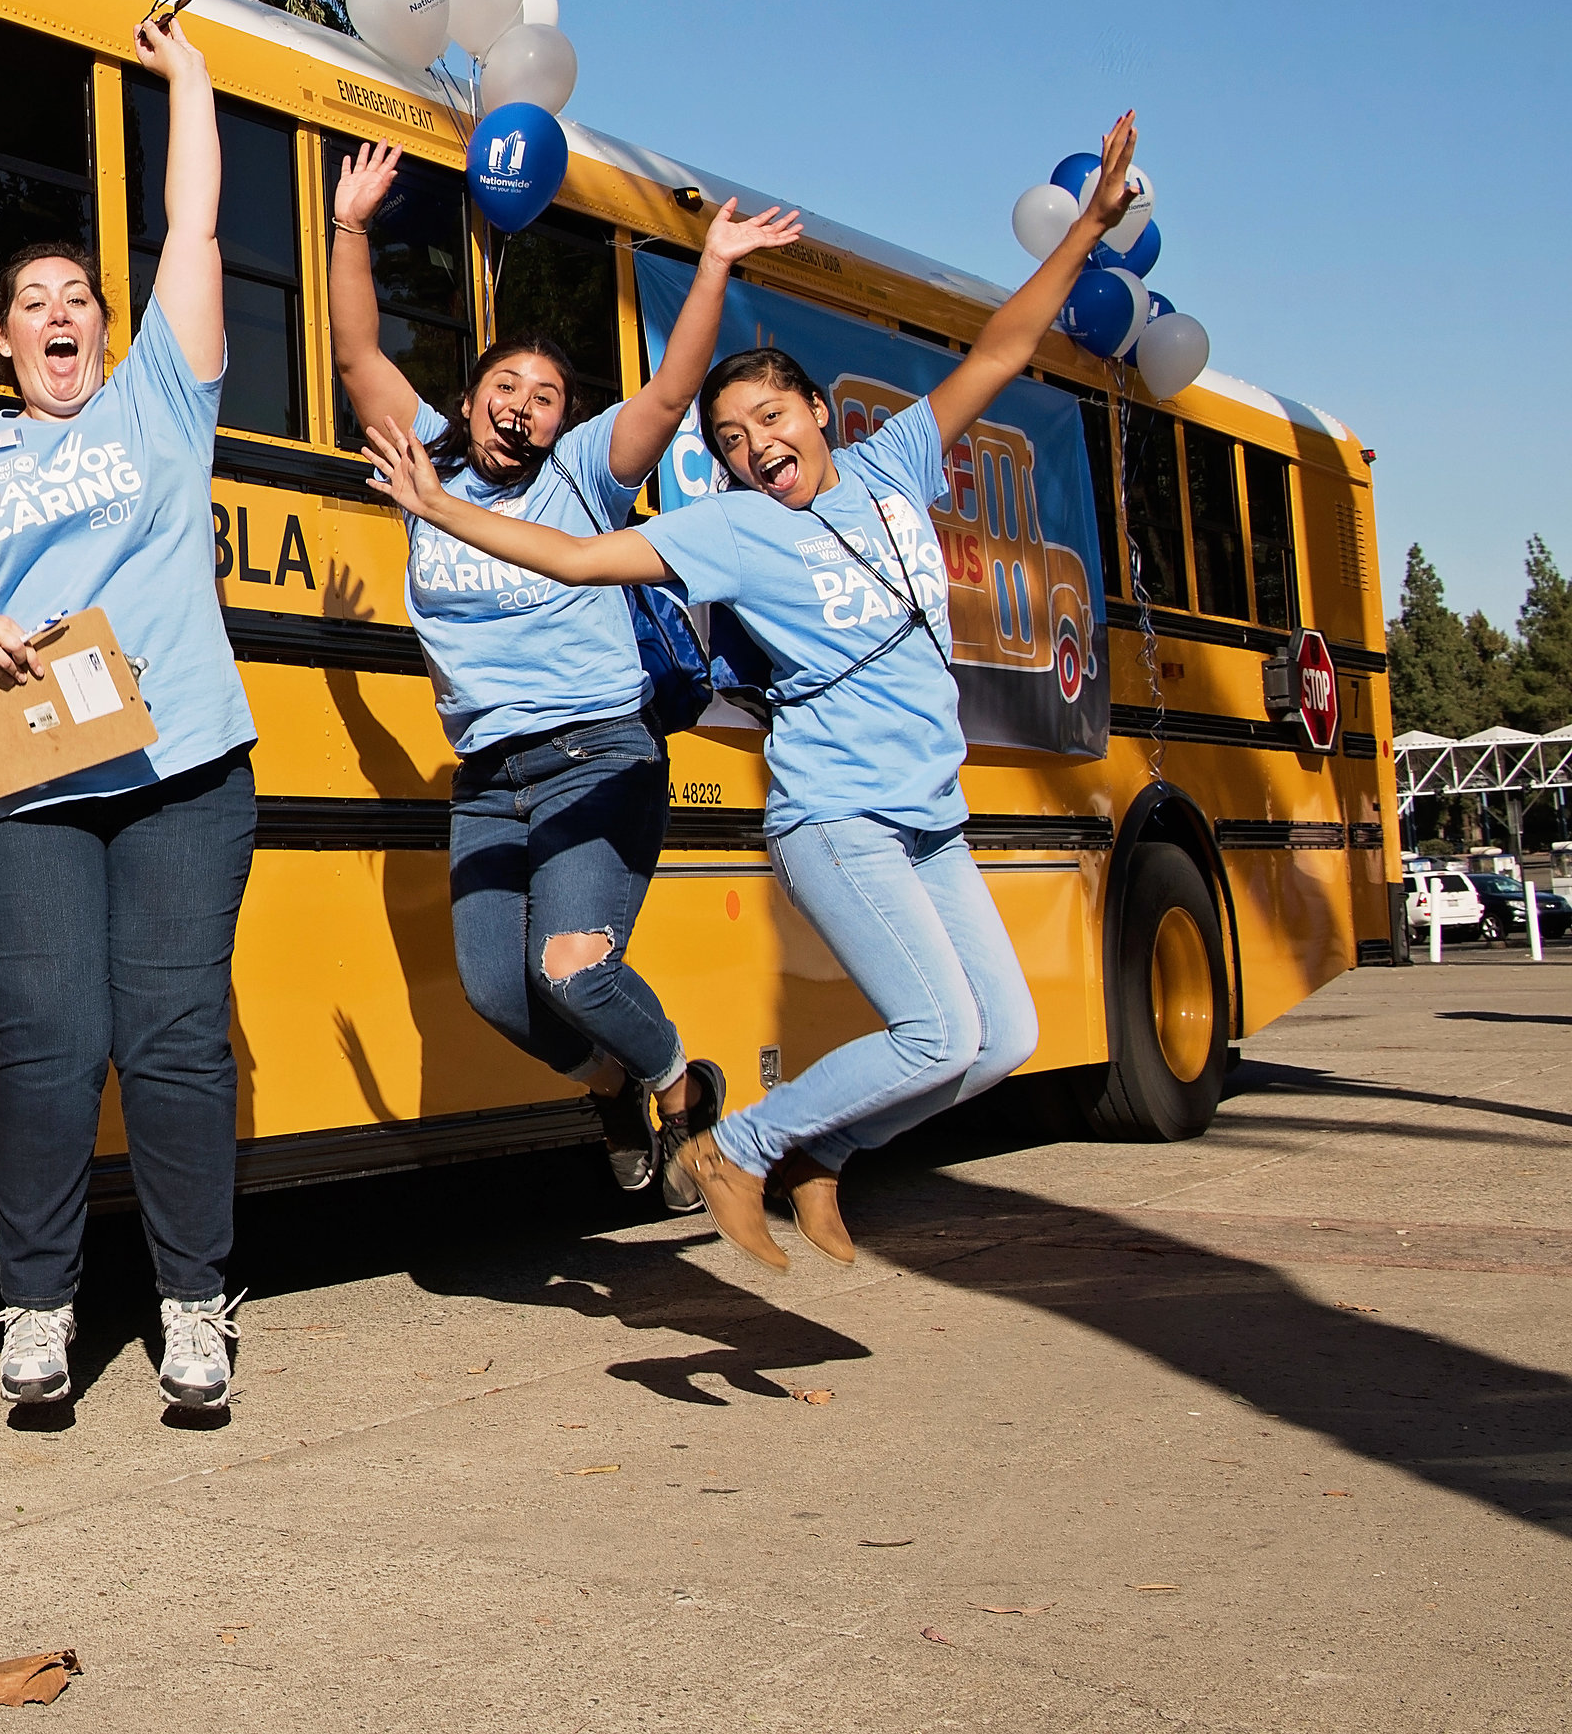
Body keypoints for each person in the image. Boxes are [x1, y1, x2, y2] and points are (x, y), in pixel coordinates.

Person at [360, 112, 1146, 1273]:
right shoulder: (727, 531)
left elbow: (1002, 350)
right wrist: (438, 510)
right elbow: (578, 560)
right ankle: (742, 1144)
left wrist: (1086, 228)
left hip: (932, 814)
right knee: (934, 1028)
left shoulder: (895, 468)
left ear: (819, 416)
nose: (752, 445)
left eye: (769, 419)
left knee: (1000, 1042)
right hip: (837, 810)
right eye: (730, 439)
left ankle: (825, 1156)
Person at [0, 15, 257, 1413]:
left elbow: (197, 235)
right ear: (2, 339)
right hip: (25, 782)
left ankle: (194, 1305)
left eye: (79, 295)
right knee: (48, 1041)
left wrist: (192, 91)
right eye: (35, 298)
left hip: (178, 771)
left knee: (172, 1039)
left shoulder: (161, 400)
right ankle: (35, 1309)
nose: (62, 310)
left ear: (106, 325)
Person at [326, 144, 804, 1201]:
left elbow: (676, 391)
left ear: (561, 420)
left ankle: (682, 1089)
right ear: (472, 396)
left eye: (546, 396)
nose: (525, 406)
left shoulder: (585, 476)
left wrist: (714, 264)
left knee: (573, 964)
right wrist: (350, 226)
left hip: (598, 752)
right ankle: (608, 1086)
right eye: (508, 385)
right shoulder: (430, 461)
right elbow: (357, 349)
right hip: (489, 775)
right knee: (501, 992)